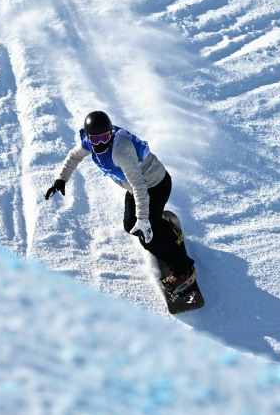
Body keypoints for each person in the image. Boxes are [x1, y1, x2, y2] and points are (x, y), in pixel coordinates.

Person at [44, 111, 196, 294]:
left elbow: (140, 186)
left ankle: (183, 271)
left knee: (148, 237)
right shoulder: (89, 143)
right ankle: (169, 232)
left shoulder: (121, 150)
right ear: (88, 137)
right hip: (135, 188)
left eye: (105, 137)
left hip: (155, 186)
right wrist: (61, 179)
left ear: (111, 133)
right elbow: (74, 156)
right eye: (95, 139)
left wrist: (144, 219)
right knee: (130, 225)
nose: (100, 143)